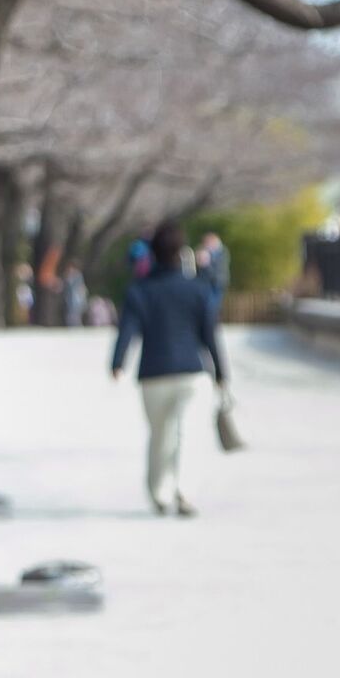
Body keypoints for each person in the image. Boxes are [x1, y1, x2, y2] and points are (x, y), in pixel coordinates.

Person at [109, 221, 230, 516]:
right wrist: (221, 373)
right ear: (182, 251)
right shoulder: (197, 290)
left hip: (153, 374)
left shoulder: (141, 290)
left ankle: (160, 494)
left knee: (159, 434)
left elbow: (128, 329)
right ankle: (185, 491)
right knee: (189, 432)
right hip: (192, 372)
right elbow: (209, 335)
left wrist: (118, 363)